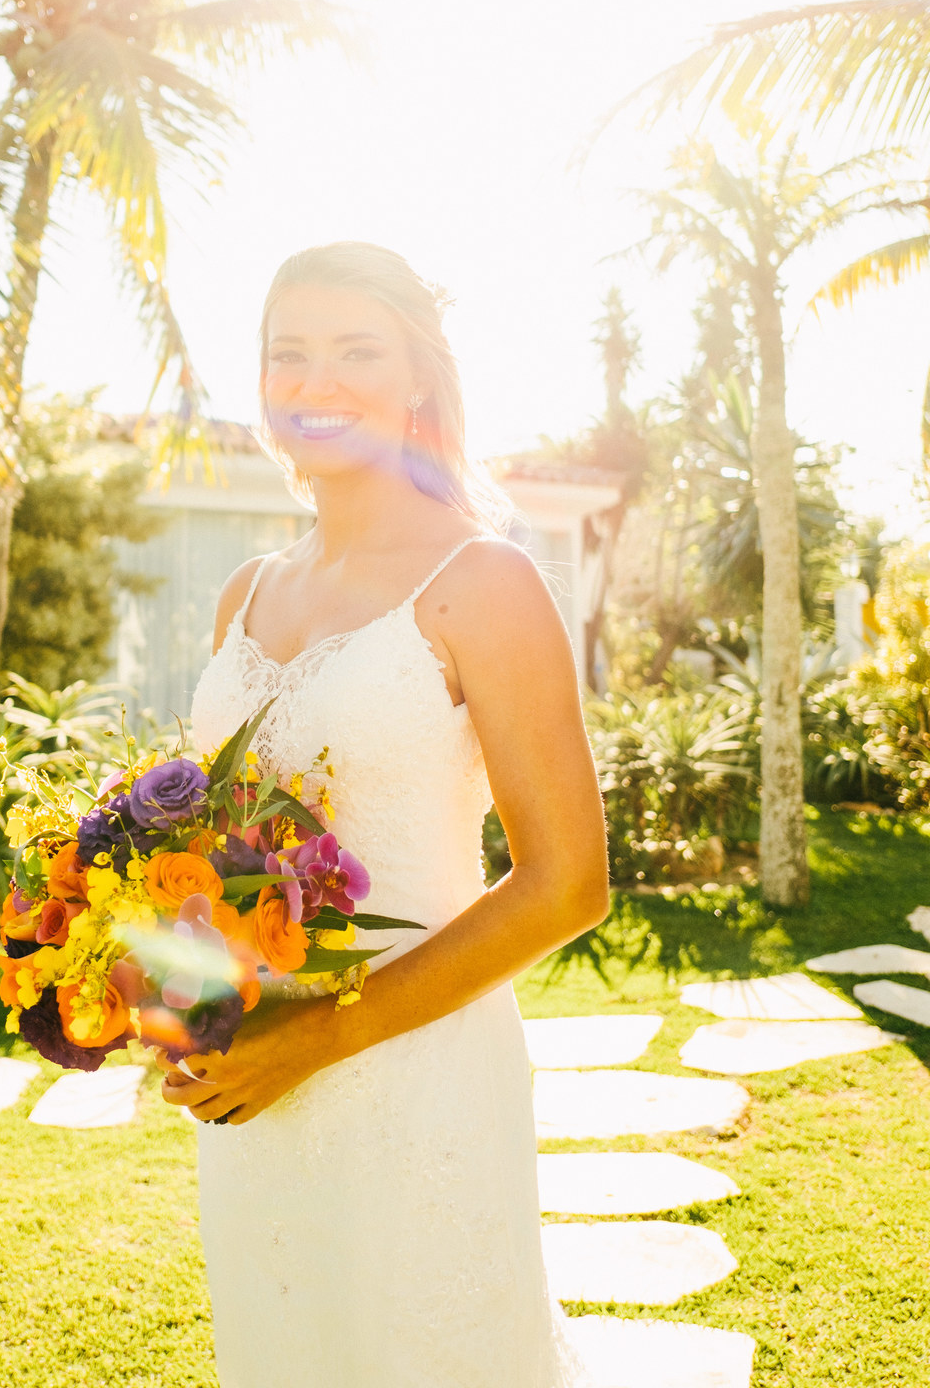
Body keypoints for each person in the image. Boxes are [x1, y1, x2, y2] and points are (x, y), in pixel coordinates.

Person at [157, 240, 609, 1388]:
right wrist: (162, 990)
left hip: (418, 1077)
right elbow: (210, 854)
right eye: (287, 354)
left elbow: (567, 884)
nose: (316, 383)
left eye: (355, 350)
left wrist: (324, 1034)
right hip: (254, 1089)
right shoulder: (245, 593)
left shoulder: (483, 582)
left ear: (419, 378)